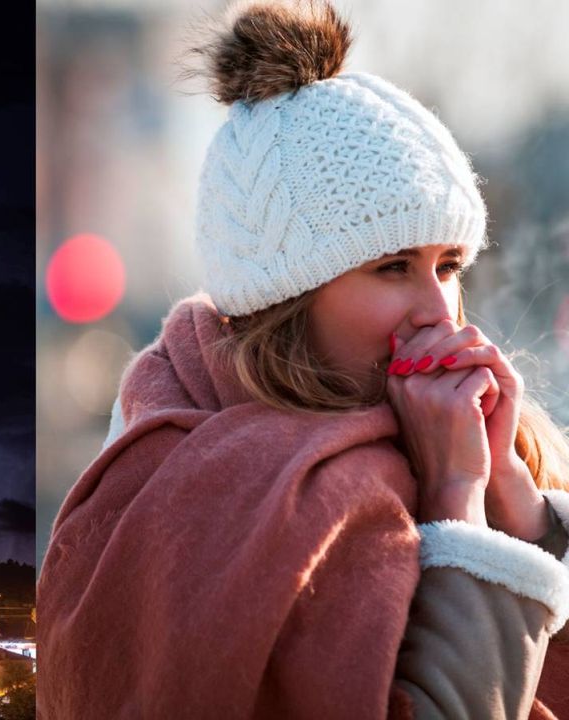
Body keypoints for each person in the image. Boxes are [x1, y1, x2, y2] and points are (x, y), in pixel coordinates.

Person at [37, 1, 569, 718]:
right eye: (391, 268)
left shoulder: (495, 441)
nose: (440, 313)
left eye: (448, 266)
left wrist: (519, 503)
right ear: (289, 298)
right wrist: (455, 504)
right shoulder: (190, 479)